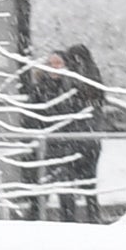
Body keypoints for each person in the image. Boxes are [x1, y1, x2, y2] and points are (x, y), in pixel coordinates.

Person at [20, 46, 106, 222]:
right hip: (48, 144)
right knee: (40, 191)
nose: (55, 67)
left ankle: (71, 223)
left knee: (67, 191)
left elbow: (80, 112)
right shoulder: (39, 87)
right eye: (51, 63)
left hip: (67, 145)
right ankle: (35, 222)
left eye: (59, 63)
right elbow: (30, 115)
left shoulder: (72, 87)